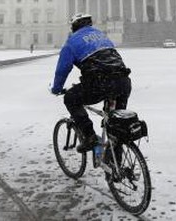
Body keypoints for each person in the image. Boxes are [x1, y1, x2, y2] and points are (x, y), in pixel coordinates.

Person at [50, 13, 132, 152]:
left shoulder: (72, 41)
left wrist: (57, 88)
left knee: (71, 98)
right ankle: (116, 166)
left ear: (74, 27)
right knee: (116, 127)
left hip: (100, 83)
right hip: (123, 82)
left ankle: (90, 137)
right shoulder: (101, 36)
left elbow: (62, 69)